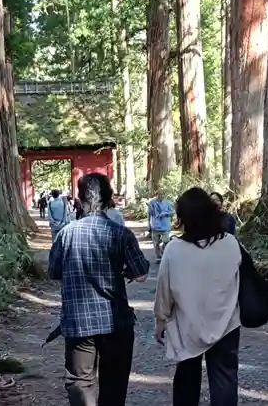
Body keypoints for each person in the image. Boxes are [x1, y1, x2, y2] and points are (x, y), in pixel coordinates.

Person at [48, 173, 150, 406]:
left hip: (78, 322)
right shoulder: (120, 233)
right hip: (116, 321)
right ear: (109, 199)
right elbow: (142, 273)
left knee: (79, 381)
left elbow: (54, 272)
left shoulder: (65, 235)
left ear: (80, 200)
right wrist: (124, 273)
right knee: (114, 381)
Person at [154, 187, 241, 406]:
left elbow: (164, 289)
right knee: (225, 382)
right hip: (227, 324)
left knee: (186, 380)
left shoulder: (174, 250)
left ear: (182, 218)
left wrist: (160, 319)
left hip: (188, 326)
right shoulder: (231, 243)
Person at [148, 190, 173, 262]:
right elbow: (149, 214)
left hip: (165, 226)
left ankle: (163, 251)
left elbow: (172, 211)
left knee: (166, 241)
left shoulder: (167, 203)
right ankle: (158, 256)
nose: (161, 196)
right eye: (159, 195)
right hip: (156, 226)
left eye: (162, 195)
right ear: (156, 195)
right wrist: (148, 223)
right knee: (156, 243)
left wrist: (166, 213)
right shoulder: (152, 203)